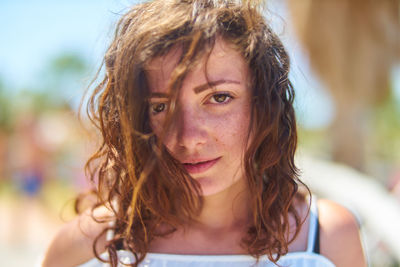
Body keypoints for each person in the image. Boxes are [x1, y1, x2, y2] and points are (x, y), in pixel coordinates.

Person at [42, 0, 366, 266]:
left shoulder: (326, 238)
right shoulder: (82, 248)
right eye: (160, 106)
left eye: (218, 98)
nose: (187, 137)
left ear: (264, 105)